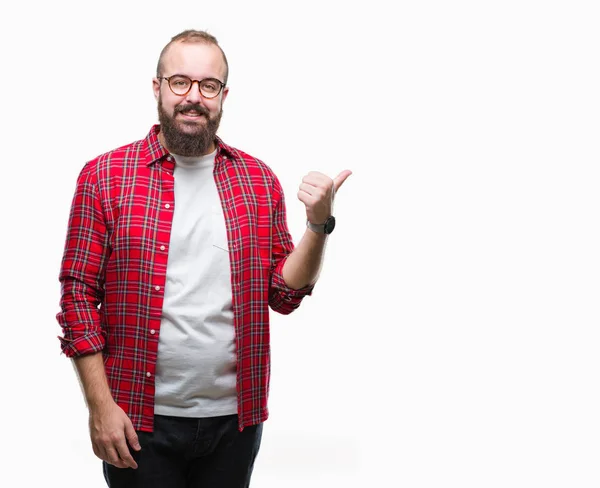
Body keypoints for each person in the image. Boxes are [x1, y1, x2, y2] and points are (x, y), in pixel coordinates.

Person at [55, 29, 351, 488]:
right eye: (179, 82)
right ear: (157, 88)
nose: (193, 97)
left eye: (207, 86)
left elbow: (284, 293)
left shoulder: (256, 179)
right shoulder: (106, 176)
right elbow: (77, 297)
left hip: (236, 422)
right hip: (136, 420)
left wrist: (317, 225)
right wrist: (101, 407)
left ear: (223, 95)